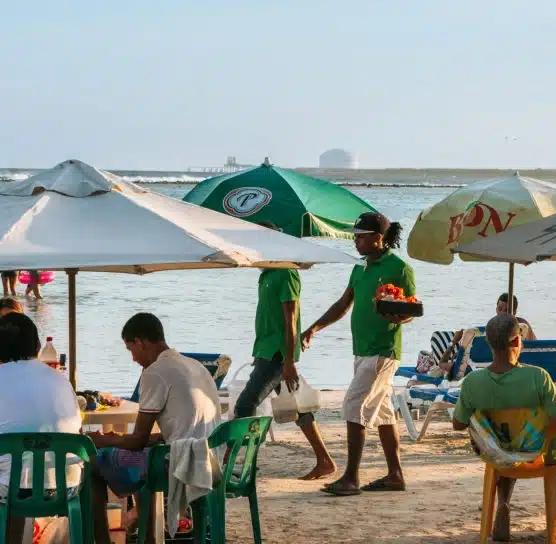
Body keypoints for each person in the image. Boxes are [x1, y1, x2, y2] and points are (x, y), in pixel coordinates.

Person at [302, 212, 416, 496]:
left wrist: (398, 317)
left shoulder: (399, 268)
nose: (356, 241)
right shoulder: (360, 268)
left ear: (378, 238)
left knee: (353, 406)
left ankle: (351, 478)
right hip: (361, 350)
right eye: (355, 236)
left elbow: (411, 309)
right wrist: (315, 327)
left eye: (361, 237)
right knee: (385, 412)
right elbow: (344, 303)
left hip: (383, 349)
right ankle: (395, 475)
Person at [89, 313, 221, 544]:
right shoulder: (195, 366)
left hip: (176, 462)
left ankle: (105, 541)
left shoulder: (155, 372)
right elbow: (184, 428)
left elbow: (137, 441)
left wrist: (103, 441)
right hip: (210, 457)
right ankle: (147, 534)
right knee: (142, 458)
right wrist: (120, 438)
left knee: (94, 464)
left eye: (131, 349)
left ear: (140, 341)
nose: (133, 358)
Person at [452, 314, 556, 542]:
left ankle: (503, 503)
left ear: (489, 343)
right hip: (537, 455)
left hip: (496, 453)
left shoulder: (472, 382)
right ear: (517, 342)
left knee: (506, 438)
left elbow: (458, 424)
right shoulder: (537, 377)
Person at [234, 222, 335, 480]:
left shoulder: (286, 273)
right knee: (298, 405)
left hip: (277, 355)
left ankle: (240, 464)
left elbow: (291, 320)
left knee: (246, 405)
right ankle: (324, 460)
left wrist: (289, 361)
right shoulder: (267, 273)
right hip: (265, 350)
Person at [0, 313, 82, 543]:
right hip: (65, 486)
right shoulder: (61, 381)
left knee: (10, 469)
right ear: (37, 346)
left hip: (10, 490)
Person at [437, 292, 536, 376]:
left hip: (487, 370)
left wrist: (454, 341)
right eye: (500, 309)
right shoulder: (524, 326)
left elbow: (442, 364)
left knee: (446, 365)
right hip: (518, 369)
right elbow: (535, 348)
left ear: (514, 312)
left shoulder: (487, 331)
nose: (501, 313)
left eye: (506, 310)